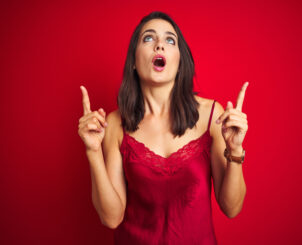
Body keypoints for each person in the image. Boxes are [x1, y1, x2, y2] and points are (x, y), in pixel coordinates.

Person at [78, 11, 248, 245]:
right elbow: (111, 218)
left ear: (179, 62)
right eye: (148, 38)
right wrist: (93, 151)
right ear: (134, 62)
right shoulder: (115, 123)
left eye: (170, 40)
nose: (160, 45)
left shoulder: (213, 116)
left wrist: (236, 150)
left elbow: (232, 208)